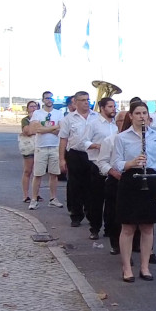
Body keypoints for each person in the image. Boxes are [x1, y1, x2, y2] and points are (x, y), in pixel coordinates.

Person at [111, 101, 156, 282]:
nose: (142, 116)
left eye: (144, 113)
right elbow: (116, 162)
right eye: (138, 113)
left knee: (147, 226)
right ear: (131, 116)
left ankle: (145, 267)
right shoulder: (122, 137)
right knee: (128, 226)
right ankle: (127, 267)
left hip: (150, 180)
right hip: (130, 180)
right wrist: (131, 163)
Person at [82, 95, 117, 242]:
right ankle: (95, 228)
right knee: (96, 200)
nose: (113, 109)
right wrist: (97, 146)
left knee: (112, 201)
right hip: (97, 164)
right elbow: (83, 141)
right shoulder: (93, 124)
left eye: (114, 106)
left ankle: (109, 229)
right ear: (102, 108)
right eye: (110, 106)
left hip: (112, 166)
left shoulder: (116, 125)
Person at [58, 91, 93, 228]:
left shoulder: (96, 117)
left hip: (92, 155)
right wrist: (62, 159)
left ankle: (91, 214)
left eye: (88, 100)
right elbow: (63, 140)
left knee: (91, 186)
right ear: (75, 102)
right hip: (75, 154)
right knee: (75, 186)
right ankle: (76, 215)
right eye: (83, 100)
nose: (86, 102)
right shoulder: (68, 119)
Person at [92, 102, 123, 255]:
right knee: (112, 211)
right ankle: (114, 242)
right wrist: (112, 171)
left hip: (133, 180)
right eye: (121, 121)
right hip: (112, 177)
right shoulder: (109, 139)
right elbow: (101, 161)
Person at [29, 90, 64, 209]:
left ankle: (53, 198)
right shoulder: (37, 113)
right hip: (41, 147)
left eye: (51, 98)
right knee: (38, 174)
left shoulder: (59, 113)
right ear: (43, 100)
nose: (49, 100)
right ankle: (34, 199)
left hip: (55, 146)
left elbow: (61, 130)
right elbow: (36, 129)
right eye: (47, 98)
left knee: (54, 174)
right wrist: (54, 127)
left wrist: (45, 128)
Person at [19, 100, 39, 204]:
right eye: (31, 107)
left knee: (38, 172)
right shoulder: (25, 120)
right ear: (27, 109)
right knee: (28, 171)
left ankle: (36, 194)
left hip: (40, 147)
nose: (33, 108)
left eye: (35, 106)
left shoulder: (41, 118)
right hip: (29, 147)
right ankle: (26, 195)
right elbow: (27, 131)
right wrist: (36, 128)